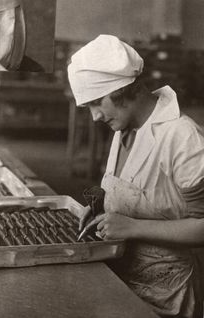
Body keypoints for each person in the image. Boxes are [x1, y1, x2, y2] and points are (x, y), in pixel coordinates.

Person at [67, 34, 204, 318]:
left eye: (97, 103)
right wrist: (102, 206)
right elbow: (143, 187)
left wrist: (132, 227)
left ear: (124, 91)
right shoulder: (123, 127)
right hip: (123, 280)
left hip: (167, 292)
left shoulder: (182, 137)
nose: (94, 117)